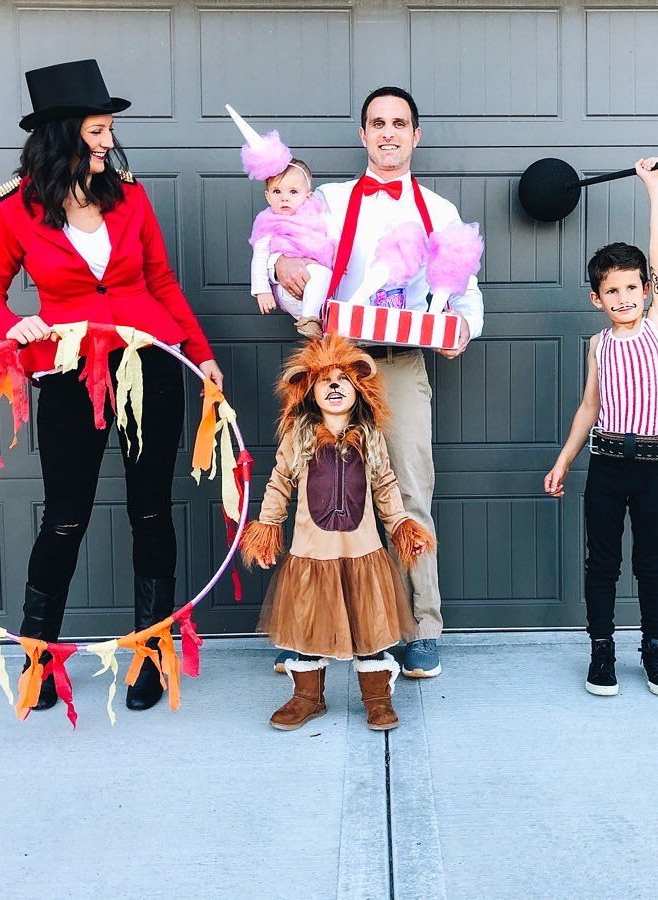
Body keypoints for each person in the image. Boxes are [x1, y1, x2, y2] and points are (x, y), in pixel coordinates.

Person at [0, 59, 223, 713]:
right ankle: (38, 659)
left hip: (149, 363)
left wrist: (201, 353)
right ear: (63, 136)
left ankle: (149, 656)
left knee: (150, 510)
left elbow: (162, 282)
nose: (110, 141)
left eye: (109, 130)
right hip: (70, 371)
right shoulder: (15, 209)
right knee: (65, 517)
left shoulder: (130, 196)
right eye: (99, 130)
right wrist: (11, 326)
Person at [272, 87, 484, 678]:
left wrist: (461, 327)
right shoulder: (329, 201)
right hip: (332, 359)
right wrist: (277, 267)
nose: (388, 133)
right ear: (362, 134)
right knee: (322, 497)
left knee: (411, 492)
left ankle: (421, 628)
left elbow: (466, 294)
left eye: (399, 123)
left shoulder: (438, 211)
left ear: (416, 136)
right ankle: (317, 631)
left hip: (402, 361)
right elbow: (279, 243)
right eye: (377, 123)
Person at [544, 158, 658, 697]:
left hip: (654, 467)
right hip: (606, 466)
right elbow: (589, 408)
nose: (624, 298)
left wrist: (655, 189)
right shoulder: (599, 345)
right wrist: (563, 460)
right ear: (597, 298)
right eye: (613, 291)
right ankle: (601, 651)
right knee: (601, 563)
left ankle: (654, 648)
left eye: (633, 287)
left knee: (651, 562)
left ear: (647, 289)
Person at [240, 336, 435, 731]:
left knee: (371, 629)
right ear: (309, 390)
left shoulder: (371, 437)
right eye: (324, 380)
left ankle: (377, 698)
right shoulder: (299, 438)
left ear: (359, 388)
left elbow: (386, 487)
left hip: (363, 554)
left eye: (343, 379)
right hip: (312, 555)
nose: (333, 386)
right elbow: (279, 484)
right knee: (309, 628)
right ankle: (307, 697)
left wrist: (401, 525)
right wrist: (268, 528)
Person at [249, 158, 335, 337]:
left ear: (308, 196)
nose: (284, 198)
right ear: (267, 196)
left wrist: (338, 258)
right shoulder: (269, 222)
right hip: (288, 288)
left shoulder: (317, 217)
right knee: (321, 275)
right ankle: (309, 319)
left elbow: (333, 239)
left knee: (324, 276)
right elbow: (259, 257)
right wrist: (262, 291)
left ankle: (315, 325)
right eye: (277, 191)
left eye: (293, 192)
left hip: (315, 287)